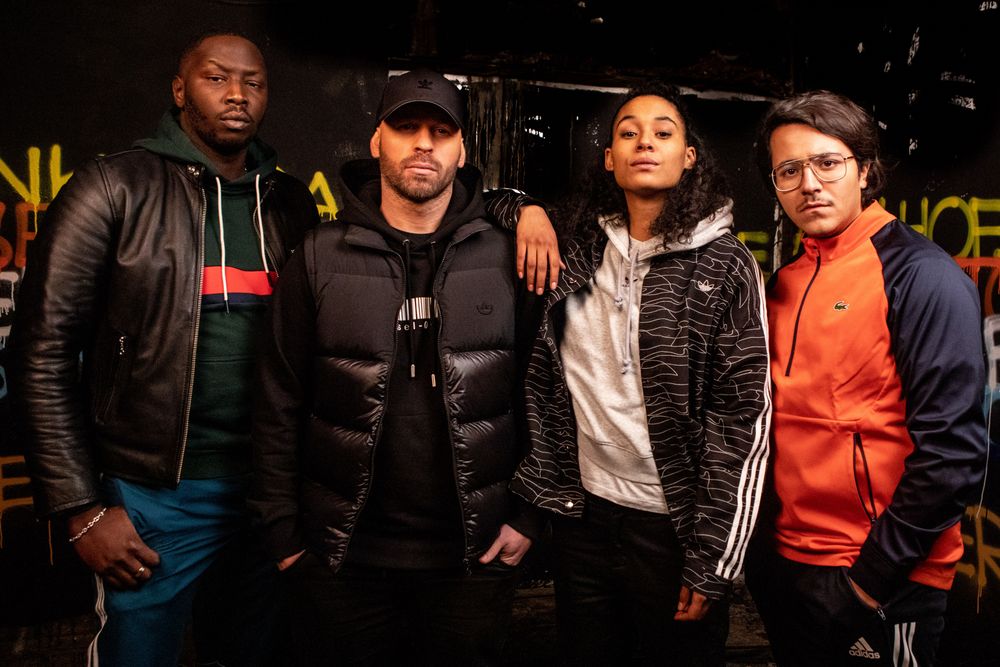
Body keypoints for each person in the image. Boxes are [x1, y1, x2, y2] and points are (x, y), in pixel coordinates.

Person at [10, 33, 321, 665]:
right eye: (217, 78)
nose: (237, 95)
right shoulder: (112, 187)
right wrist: (80, 508)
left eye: (254, 82)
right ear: (180, 90)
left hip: (270, 493)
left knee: (254, 652)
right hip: (154, 494)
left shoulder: (289, 202)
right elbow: (41, 352)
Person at [249, 68, 546, 666]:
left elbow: (541, 393)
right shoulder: (320, 254)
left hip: (474, 559)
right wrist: (282, 534)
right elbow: (277, 398)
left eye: (441, 131)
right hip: (342, 560)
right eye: (406, 127)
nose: (423, 144)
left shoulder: (507, 255)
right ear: (376, 140)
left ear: (462, 150)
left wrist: (527, 516)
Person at [509, 81, 772, 665]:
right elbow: (487, 200)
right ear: (610, 158)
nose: (644, 142)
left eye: (662, 132)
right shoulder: (579, 242)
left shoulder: (726, 263)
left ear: (689, 156)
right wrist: (527, 210)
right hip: (582, 515)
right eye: (628, 133)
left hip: (672, 528)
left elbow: (742, 421)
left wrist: (715, 560)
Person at [745, 90, 987, 666]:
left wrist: (866, 584)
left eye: (828, 162)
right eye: (789, 170)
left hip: (879, 579)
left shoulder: (922, 277)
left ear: (866, 170)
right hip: (787, 565)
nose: (809, 183)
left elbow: (952, 454)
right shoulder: (783, 284)